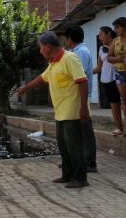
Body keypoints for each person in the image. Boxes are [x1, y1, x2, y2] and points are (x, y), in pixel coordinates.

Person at [17, 32, 89, 188]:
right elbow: (42, 78)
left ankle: (80, 178)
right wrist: (26, 88)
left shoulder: (70, 58)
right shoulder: (53, 63)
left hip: (72, 110)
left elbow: (83, 82)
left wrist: (84, 108)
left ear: (48, 46)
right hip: (60, 111)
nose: (40, 51)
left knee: (74, 146)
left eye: (41, 47)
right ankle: (67, 175)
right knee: (63, 145)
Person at [64, 25, 98, 172]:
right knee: (78, 132)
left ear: (69, 38)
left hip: (81, 96)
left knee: (85, 131)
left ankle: (90, 163)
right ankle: (79, 160)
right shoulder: (75, 52)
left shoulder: (81, 53)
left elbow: (81, 76)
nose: (65, 42)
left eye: (66, 39)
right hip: (75, 96)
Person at [107, 17, 126, 137]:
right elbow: (109, 57)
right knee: (125, 100)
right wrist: (118, 59)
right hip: (121, 72)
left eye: (117, 27)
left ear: (125, 27)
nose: (115, 30)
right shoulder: (116, 41)